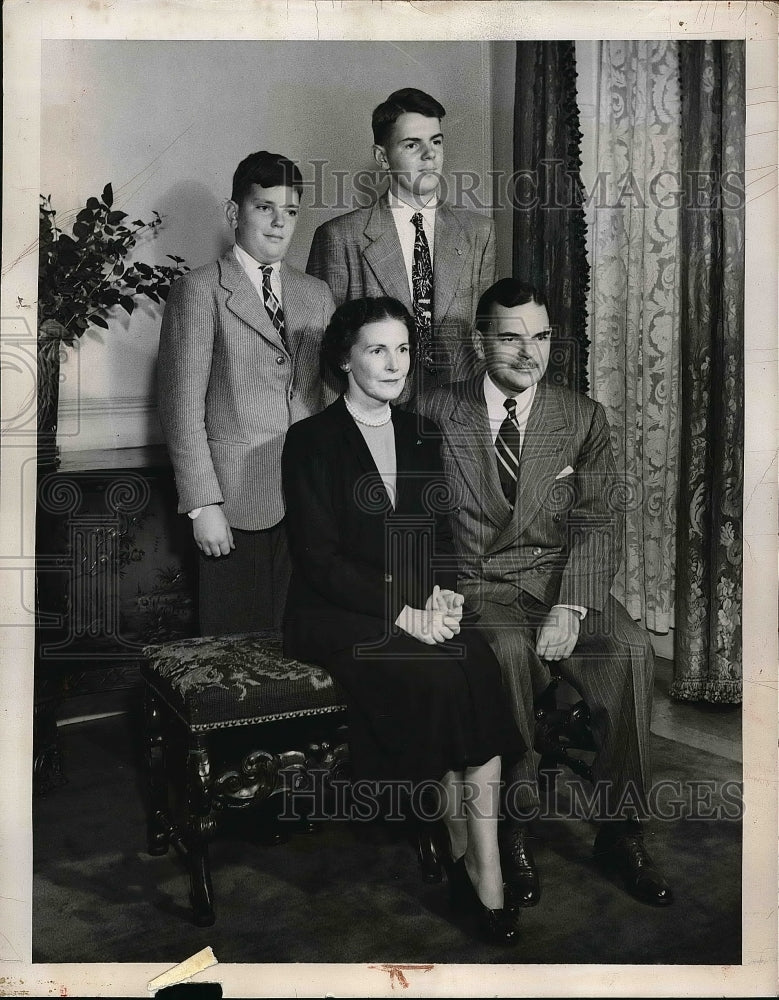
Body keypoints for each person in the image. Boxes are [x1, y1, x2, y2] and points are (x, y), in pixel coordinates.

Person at [418, 278, 674, 910]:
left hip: (561, 584)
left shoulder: (581, 415)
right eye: (510, 337)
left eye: (541, 337)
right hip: (480, 586)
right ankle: (513, 833)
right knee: (505, 658)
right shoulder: (433, 411)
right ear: (482, 341)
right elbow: (411, 521)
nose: (528, 351)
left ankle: (622, 831)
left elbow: (598, 519)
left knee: (632, 652)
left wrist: (571, 604)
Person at [281, 295, 526, 945]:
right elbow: (318, 561)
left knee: (479, 664)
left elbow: (439, 535)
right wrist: (405, 614)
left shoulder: (421, 430)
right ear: (344, 358)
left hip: (417, 605)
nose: (394, 363)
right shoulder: (310, 441)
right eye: (376, 349)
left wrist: (443, 597)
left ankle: (485, 867)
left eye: (402, 349)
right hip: (334, 613)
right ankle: (458, 853)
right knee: (439, 681)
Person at [157, 150, 335, 636]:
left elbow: (328, 399)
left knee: (303, 646)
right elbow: (182, 408)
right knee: (236, 652)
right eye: (265, 208)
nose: (280, 223)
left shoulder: (316, 294)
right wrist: (202, 504)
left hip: (308, 500)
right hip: (233, 502)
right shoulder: (200, 290)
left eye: (291, 211)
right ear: (235, 213)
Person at [306, 88, 495, 403]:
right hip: (375, 420)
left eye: (436, 142)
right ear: (382, 157)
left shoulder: (479, 233)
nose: (429, 155)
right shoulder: (340, 237)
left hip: (457, 415)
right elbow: (325, 356)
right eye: (412, 145)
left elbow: (484, 340)